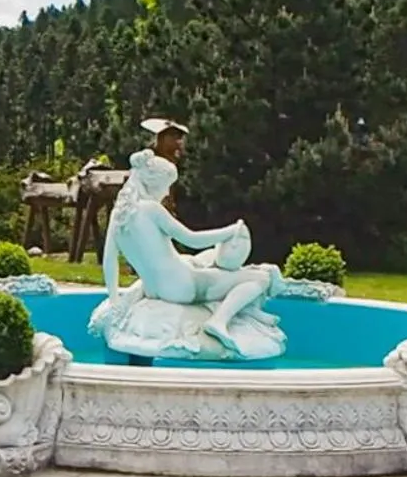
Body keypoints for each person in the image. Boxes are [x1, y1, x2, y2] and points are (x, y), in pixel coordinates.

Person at [99, 149, 277, 354]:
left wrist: (114, 300)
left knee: (208, 257)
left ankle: (245, 310)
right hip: (181, 288)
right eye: (167, 185)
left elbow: (109, 261)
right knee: (259, 278)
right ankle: (219, 321)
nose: (167, 193)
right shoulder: (151, 209)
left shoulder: (119, 215)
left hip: (154, 290)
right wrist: (230, 232)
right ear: (153, 182)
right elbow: (191, 239)